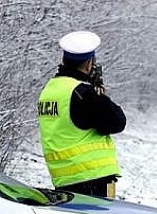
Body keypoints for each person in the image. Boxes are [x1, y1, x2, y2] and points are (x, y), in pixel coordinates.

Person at [38, 31, 126, 198]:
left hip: (64, 179)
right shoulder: (82, 93)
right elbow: (117, 121)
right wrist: (100, 95)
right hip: (93, 179)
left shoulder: (49, 90)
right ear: (88, 64)